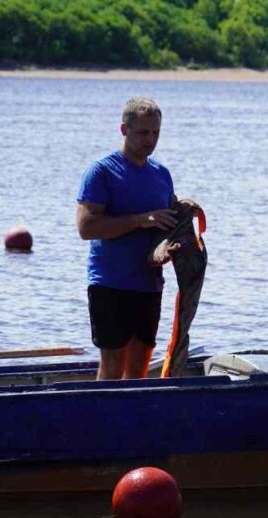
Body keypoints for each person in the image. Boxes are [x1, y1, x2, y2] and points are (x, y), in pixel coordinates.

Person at [76, 97, 193, 380]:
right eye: (143, 132)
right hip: (110, 282)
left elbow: (165, 223)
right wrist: (141, 219)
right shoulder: (102, 171)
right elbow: (86, 227)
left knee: (139, 368)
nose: (150, 140)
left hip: (148, 285)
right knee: (113, 367)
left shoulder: (162, 174)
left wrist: (174, 233)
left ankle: (135, 421)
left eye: (155, 133)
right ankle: (104, 420)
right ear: (123, 130)